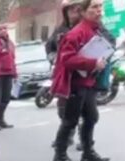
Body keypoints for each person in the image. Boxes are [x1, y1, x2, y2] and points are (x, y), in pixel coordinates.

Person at [50, 0, 111, 161]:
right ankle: (60, 156)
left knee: (91, 117)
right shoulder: (76, 33)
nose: (99, 10)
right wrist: (92, 63)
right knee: (70, 120)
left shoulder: (95, 29)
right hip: (75, 83)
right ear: (83, 11)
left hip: (88, 82)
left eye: (100, 6)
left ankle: (87, 152)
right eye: (94, 7)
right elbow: (66, 59)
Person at [47, 0, 84, 149]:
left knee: (85, 110)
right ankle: (67, 136)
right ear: (65, 12)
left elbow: (108, 40)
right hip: (63, 74)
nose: (74, 12)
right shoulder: (60, 29)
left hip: (83, 74)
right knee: (63, 108)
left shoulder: (88, 27)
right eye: (71, 9)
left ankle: (85, 140)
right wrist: (53, 57)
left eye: (77, 9)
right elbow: (49, 47)